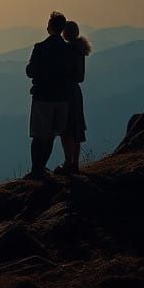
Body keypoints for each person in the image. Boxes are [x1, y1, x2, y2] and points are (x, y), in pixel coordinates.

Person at [24, 11, 76, 178]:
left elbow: (30, 71)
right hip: (62, 97)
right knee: (52, 134)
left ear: (50, 27)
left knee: (39, 135)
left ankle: (36, 169)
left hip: (43, 97)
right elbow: (71, 72)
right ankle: (42, 167)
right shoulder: (67, 49)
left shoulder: (40, 47)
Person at [59, 20, 92, 175]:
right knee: (76, 127)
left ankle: (68, 162)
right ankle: (75, 163)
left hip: (65, 91)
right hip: (76, 92)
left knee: (66, 128)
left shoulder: (67, 50)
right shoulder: (80, 50)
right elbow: (80, 77)